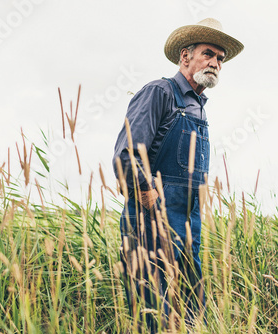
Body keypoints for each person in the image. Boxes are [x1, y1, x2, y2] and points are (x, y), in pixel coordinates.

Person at [112, 18, 243, 333]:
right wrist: (148, 195)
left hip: (188, 221)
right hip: (150, 219)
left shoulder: (198, 106)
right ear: (186, 56)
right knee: (150, 310)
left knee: (190, 309)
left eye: (220, 59)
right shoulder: (159, 92)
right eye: (208, 53)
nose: (215, 63)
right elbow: (126, 154)